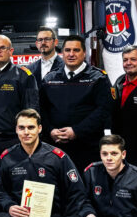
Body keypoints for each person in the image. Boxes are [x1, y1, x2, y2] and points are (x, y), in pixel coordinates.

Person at [40, 34, 112, 171]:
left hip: (88, 148)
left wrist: (76, 131)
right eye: (67, 50)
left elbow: (103, 111)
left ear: (84, 53)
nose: (71, 54)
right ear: (62, 53)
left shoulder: (98, 78)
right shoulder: (49, 79)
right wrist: (50, 131)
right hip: (55, 147)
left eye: (76, 50)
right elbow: (42, 109)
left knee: (86, 189)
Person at [112, 45, 137, 175]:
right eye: (125, 60)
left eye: (133, 59)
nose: (128, 63)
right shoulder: (119, 82)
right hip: (120, 147)